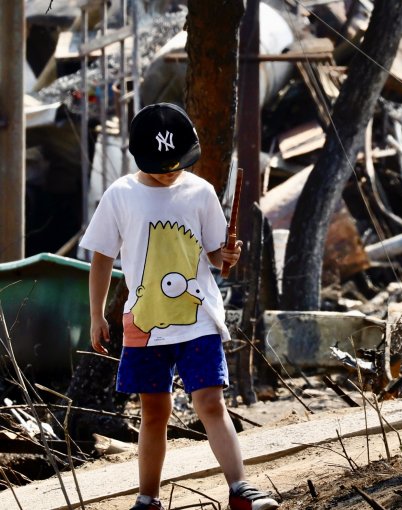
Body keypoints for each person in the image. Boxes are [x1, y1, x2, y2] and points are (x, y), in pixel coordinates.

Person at [81, 103, 279, 510]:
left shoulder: (201, 192)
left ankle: (241, 489)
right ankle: (147, 498)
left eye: (177, 164)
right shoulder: (120, 195)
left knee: (210, 401)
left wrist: (228, 255)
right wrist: (97, 314)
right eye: (161, 166)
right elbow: (102, 256)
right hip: (144, 323)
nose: (171, 172)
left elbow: (213, 257)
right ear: (139, 156)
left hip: (198, 317)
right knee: (155, 412)